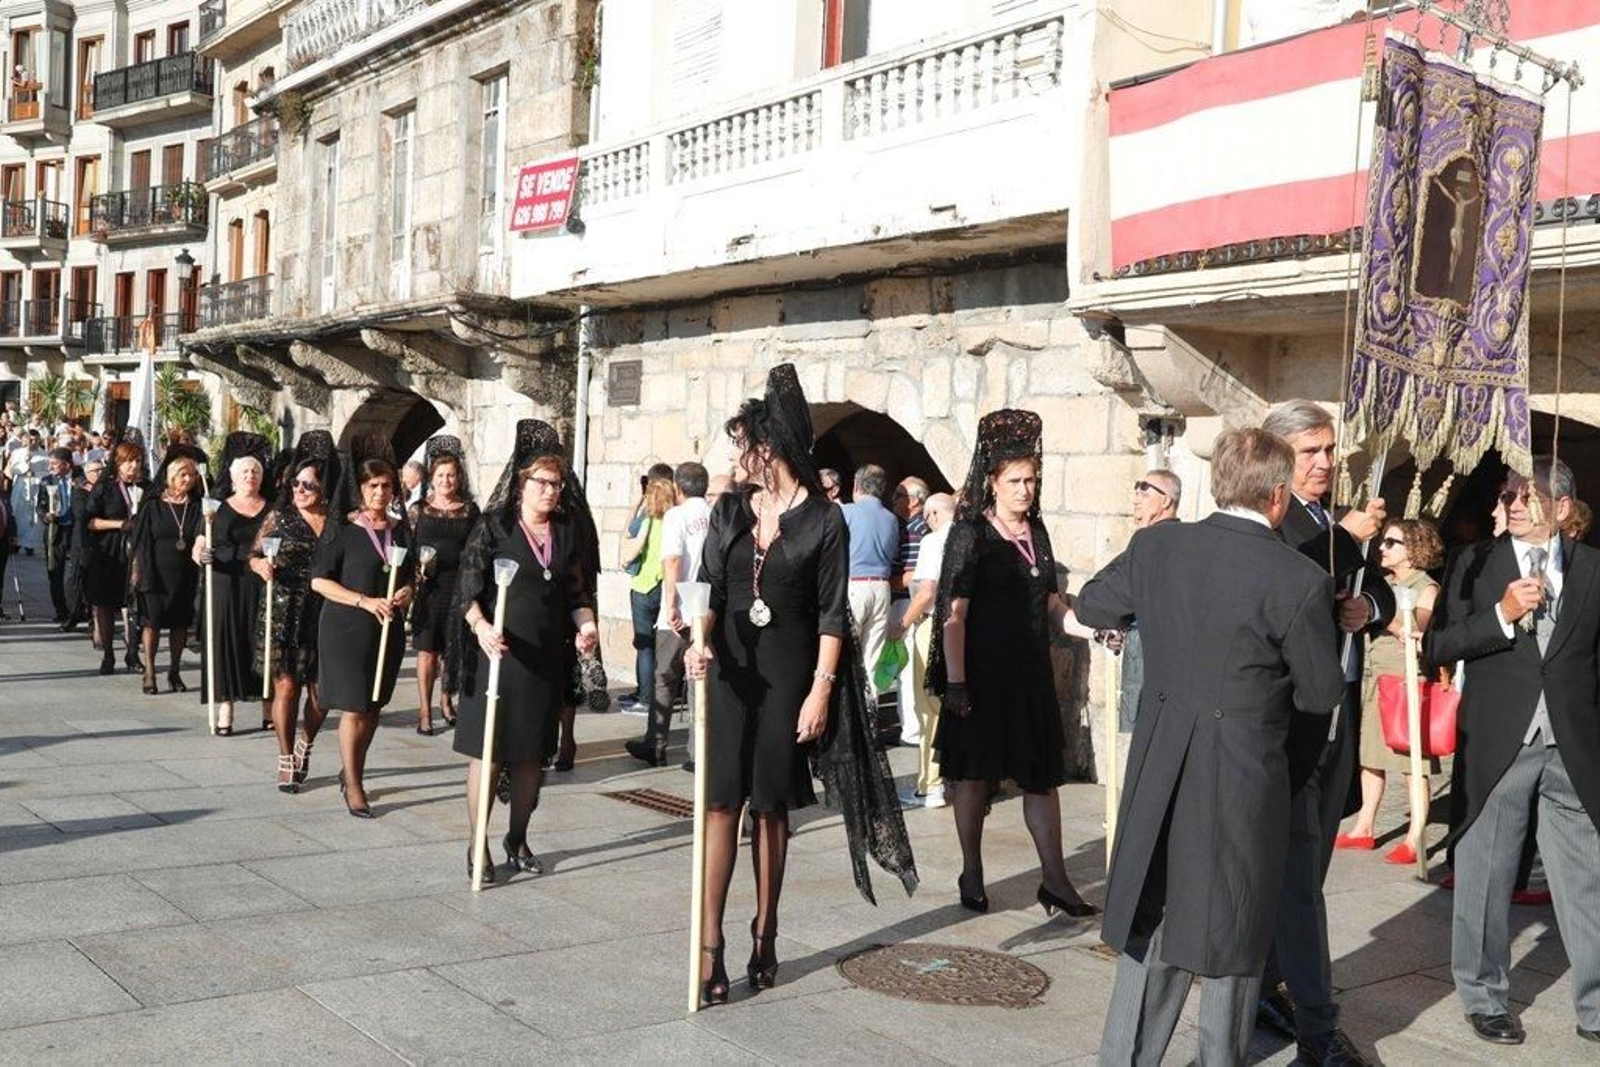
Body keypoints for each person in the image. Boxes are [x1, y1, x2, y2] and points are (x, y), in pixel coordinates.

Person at [1077, 427, 1345, 1066]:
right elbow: (1320, 693)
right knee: (1231, 942)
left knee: (1155, 925)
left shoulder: (1159, 546)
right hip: (1245, 781)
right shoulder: (1298, 578)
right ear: (1278, 496)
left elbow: (1093, 604)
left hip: (1163, 768)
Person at [685, 364, 916, 1006]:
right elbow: (707, 589)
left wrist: (820, 689)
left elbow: (832, 612)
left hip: (790, 675)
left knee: (769, 805)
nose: (735, 455)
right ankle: (709, 943)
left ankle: (766, 929)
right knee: (719, 803)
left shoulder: (824, 520)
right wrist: (697, 643)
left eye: (743, 443)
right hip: (730, 671)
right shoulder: (730, 508)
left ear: (772, 447)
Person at [1427, 458, 1600, 1048]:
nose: (1514, 503)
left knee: (1585, 881)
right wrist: (1502, 614)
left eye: (1528, 495)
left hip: (1572, 750)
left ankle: (1596, 1005)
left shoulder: (1594, 569)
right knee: (1485, 872)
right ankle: (1483, 996)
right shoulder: (1474, 564)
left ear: (1563, 508)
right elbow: (1440, 644)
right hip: (1499, 742)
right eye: (1509, 494)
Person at [1257, 399, 1391, 1067]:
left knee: (1307, 873)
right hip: (1289, 729)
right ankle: (1316, 1023)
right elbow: (1291, 581)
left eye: (1330, 450)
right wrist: (1345, 535)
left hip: (1338, 719)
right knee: (1297, 885)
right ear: (1278, 458)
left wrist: (1370, 604)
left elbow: (1378, 591)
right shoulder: (1278, 522)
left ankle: (1265, 983)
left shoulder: (1328, 521)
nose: (1325, 463)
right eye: (1311, 451)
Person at [928, 409, 1100, 920]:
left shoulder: (1037, 532)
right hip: (980, 675)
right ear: (992, 483)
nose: (1025, 489)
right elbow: (953, 614)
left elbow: (1048, 601)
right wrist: (956, 683)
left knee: (1040, 778)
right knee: (975, 777)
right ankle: (972, 868)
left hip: (1029, 675)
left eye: (1031, 480)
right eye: (1016, 481)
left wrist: (1089, 629)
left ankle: (1056, 880)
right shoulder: (971, 535)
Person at [453, 421, 599, 884]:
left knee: (532, 758)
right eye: (543, 482)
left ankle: (517, 837)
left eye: (557, 484)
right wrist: (479, 627)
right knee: (488, 754)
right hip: (497, 658)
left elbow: (577, 594)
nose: (551, 492)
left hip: (545, 660)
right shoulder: (493, 527)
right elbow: (467, 591)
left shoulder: (566, 532)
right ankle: (477, 845)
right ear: (522, 483)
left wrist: (587, 627)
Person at [311, 456, 415, 818]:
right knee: (355, 705)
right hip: (346, 625)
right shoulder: (342, 528)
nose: (380, 492)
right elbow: (319, 580)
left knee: (374, 706)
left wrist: (406, 592)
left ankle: (352, 765)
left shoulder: (401, 529)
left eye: (386, 486)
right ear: (360, 489)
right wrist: (363, 601)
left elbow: (409, 575)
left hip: (386, 627)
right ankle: (354, 783)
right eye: (373, 486)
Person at [1342, 518, 1444, 863]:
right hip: (1374, 672)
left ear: (1412, 551)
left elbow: (1417, 630)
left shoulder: (1425, 586)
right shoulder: (1382, 583)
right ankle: (1365, 826)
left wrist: (1378, 612)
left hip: (1404, 676)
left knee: (1410, 760)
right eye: (1383, 542)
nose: (1383, 548)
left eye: (1391, 543)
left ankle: (1415, 837)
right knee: (1370, 754)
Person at [251, 432, 337, 793]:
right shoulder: (279, 517)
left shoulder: (336, 520)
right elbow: (254, 555)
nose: (300, 490)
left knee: (321, 694)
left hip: (325, 611)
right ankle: (286, 756)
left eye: (309, 485)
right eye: (296, 483)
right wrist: (260, 567)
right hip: (284, 608)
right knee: (286, 686)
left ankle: (306, 742)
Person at [627, 461, 711, 767]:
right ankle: (697, 752)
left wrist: (672, 605)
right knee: (698, 678)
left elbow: (673, 561)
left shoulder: (677, 515)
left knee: (665, 677)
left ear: (678, 487)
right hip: (706, 608)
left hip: (680, 608)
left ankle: (656, 743)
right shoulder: (713, 514)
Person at [193, 434, 273, 736]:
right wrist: (201, 555)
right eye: (244, 472)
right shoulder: (215, 508)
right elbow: (199, 544)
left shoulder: (273, 509)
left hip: (260, 582)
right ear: (233, 477)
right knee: (226, 641)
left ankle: (268, 707)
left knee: (260, 640)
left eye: (255, 472)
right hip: (225, 581)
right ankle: (226, 708)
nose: (250, 476)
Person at [887, 490, 953, 807]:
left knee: (930, 708)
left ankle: (931, 785)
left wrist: (901, 626)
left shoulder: (933, 541)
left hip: (935, 627)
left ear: (933, 516)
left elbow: (926, 592)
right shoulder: (977, 539)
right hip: (968, 628)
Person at [409, 436, 478, 736]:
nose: (446, 480)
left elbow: (478, 549)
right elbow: (407, 548)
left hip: (459, 586)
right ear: (431, 479)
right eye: (440, 475)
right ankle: (424, 710)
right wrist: (416, 572)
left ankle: (445, 699)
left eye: (451, 475)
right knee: (427, 650)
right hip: (429, 587)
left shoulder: (470, 510)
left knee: (454, 648)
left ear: (458, 477)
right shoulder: (418, 510)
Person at [128, 446, 206, 695]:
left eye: (192, 475)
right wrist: (138, 571)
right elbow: (141, 540)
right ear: (172, 476)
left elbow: (202, 535)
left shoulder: (198, 506)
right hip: (155, 571)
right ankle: (150, 671)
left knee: (180, 624)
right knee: (152, 623)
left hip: (185, 573)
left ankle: (174, 670)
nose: (188, 479)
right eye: (184, 475)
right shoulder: (153, 505)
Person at [1117, 470, 1184, 732]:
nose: (1136, 498)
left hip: (1149, 650)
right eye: (1135, 489)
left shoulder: (1154, 541)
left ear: (1166, 501)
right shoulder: (1147, 540)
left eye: (1145, 490)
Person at [84, 440, 145, 674]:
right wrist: (120, 524)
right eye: (128, 461)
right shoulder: (106, 488)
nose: (133, 466)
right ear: (118, 463)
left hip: (137, 553)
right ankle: (108, 653)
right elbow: (90, 521)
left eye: (137, 461)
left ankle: (133, 653)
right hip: (110, 552)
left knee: (135, 605)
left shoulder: (146, 487)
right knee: (107, 604)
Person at [841, 464, 899, 698]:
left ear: (856, 484)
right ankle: (870, 716)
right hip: (882, 588)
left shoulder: (847, 512)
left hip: (854, 586)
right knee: (872, 657)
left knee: (845, 653)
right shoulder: (892, 519)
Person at [619, 472, 674, 717]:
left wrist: (637, 503)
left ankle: (644, 698)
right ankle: (653, 693)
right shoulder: (674, 519)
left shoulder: (646, 519)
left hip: (643, 586)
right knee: (660, 645)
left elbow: (626, 533)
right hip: (664, 585)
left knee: (644, 645)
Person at [890, 477, 930, 747]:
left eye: (898, 495)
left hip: (908, 604)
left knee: (907, 670)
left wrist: (881, 579)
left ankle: (912, 730)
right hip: (906, 603)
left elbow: (915, 576)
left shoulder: (915, 531)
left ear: (914, 500)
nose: (892, 500)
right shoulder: (909, 527)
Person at [35, 447, 77, 624]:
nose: (50, 467)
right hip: (55, 531)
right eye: (49, 463)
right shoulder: (47, 481)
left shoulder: (79, 479)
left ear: (66, 464)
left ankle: (79, 608)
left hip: (75, 529)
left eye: (54, 464)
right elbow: (40, 506)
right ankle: (61, 611)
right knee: (55, 571)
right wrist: (46, 515)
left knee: (77, 570)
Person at [6, 428, 42, 555]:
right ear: (25, 439)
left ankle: (29, 544)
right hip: (22, 485)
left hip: (36, 486)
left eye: (36, 440)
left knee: (33, 516)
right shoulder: (18, 452)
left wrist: (36, 472)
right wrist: (24, 465)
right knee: (19, 514)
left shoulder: (44, 454)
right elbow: (12, 468)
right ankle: (17, 542)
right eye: (31, 439)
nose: (33, 442)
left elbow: (48, 470)